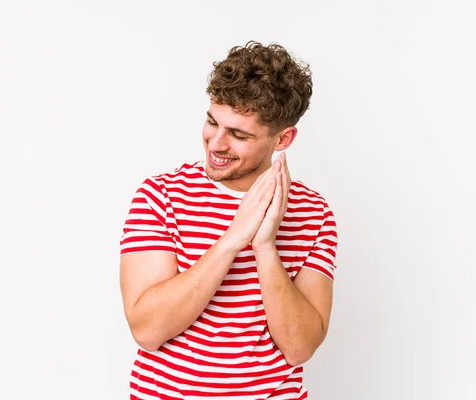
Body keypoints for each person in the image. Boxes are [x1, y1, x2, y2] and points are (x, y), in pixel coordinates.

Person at [119, 40, 338, 400]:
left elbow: (300, 348)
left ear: (283, 138)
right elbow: (147, 330)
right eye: (211, 122)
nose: (216, 143)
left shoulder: (314, 213)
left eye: (238, 135)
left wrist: (265, 246)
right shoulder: (160, 196)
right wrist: (233, 239)